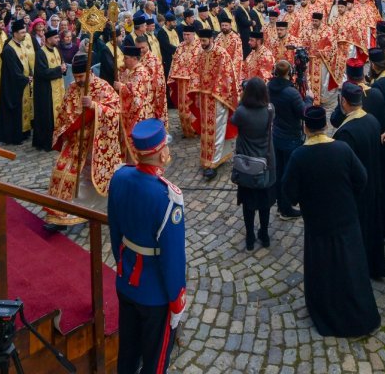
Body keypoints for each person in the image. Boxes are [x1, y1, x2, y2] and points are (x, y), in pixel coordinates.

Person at [280, 106, 380, 338]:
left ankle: (327, 311)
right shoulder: (342, 149)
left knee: (323, 268)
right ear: (325, 125)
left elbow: (289, 194)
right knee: (351, 265)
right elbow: (361, 178)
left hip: (318, 221)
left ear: (306, 127)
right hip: (346, 216)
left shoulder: (299, 156)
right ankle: (359, 313)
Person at [108, 119, 187, 374]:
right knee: (155, 362)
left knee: (128, 353)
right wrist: (177, 301)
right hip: (154, 293)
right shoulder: (167, 197)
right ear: (162, 153)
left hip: (126, 279)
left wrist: (123, 264)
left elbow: (115, 231)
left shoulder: (119, 177)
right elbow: (173, 259)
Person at [45, 52, 125, 224]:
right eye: (76, 76)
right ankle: (63, 211)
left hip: (95, 142)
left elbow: (116, 111)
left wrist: (94, 106)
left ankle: (91, 207)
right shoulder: (73, 87)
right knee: (61, 169)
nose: (79, 80)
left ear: (89, 72)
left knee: (89, 176)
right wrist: (69, 126)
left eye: (81, 76)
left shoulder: (102, 86)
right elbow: (64, 111)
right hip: (75, 141)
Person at [333, 81, 385, 280]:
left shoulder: (346, 132)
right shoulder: (372, 120)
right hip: (373, 182)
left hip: (357, 190)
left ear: (344, 102)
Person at [230, 77, 276, 250]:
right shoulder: (270, 110)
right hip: (265, 160)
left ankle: (250, 237)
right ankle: (264, 235)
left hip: (246, 162)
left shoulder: (241, 112)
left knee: (248, 204)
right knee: (265, 204)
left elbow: (233, 121)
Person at [189, 28, 241, 179]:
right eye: (200, 41)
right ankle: (211, 156)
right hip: (204, 97)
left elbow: (226, 75)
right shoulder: (200, 52)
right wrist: (197, 88)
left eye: (204, 41)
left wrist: (214, 90)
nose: (202, 44)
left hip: (218, 97)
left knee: (216, 128)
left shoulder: (221, 53)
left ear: (211, 39)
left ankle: (213, 162)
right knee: (206, 129)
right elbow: (195, 71)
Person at [268, 60, 306, 218]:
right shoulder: (291, 93)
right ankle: (286, 207)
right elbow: (303, 113)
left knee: (279, 170)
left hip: (277, 133)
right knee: (289, 173)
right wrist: (309, 100)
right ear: (289, 73)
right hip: (291, 136)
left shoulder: (269, 87)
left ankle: (281, 203)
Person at [0, 19, 34, 145]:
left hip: (22, 83)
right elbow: (13, 70)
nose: (25, 34)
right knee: (15, 109)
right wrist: (25, 79)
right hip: (13, 85)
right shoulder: (9, 49)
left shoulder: (21, 44)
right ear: (15, 33)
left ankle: (24, 131)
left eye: (25, 32)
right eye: (22, 32)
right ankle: (15, 135)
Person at [32, 28, 67, 151]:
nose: (58, 39)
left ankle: (57, 140)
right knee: (47, 117)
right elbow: (42, 72)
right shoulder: (40, 53)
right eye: (56, 38)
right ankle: (47, 142)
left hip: (58, 88)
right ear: (48, 39)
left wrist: (63, 68)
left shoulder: (57, 50)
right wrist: (59, 70)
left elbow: (62, 64)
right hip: (46, 91)